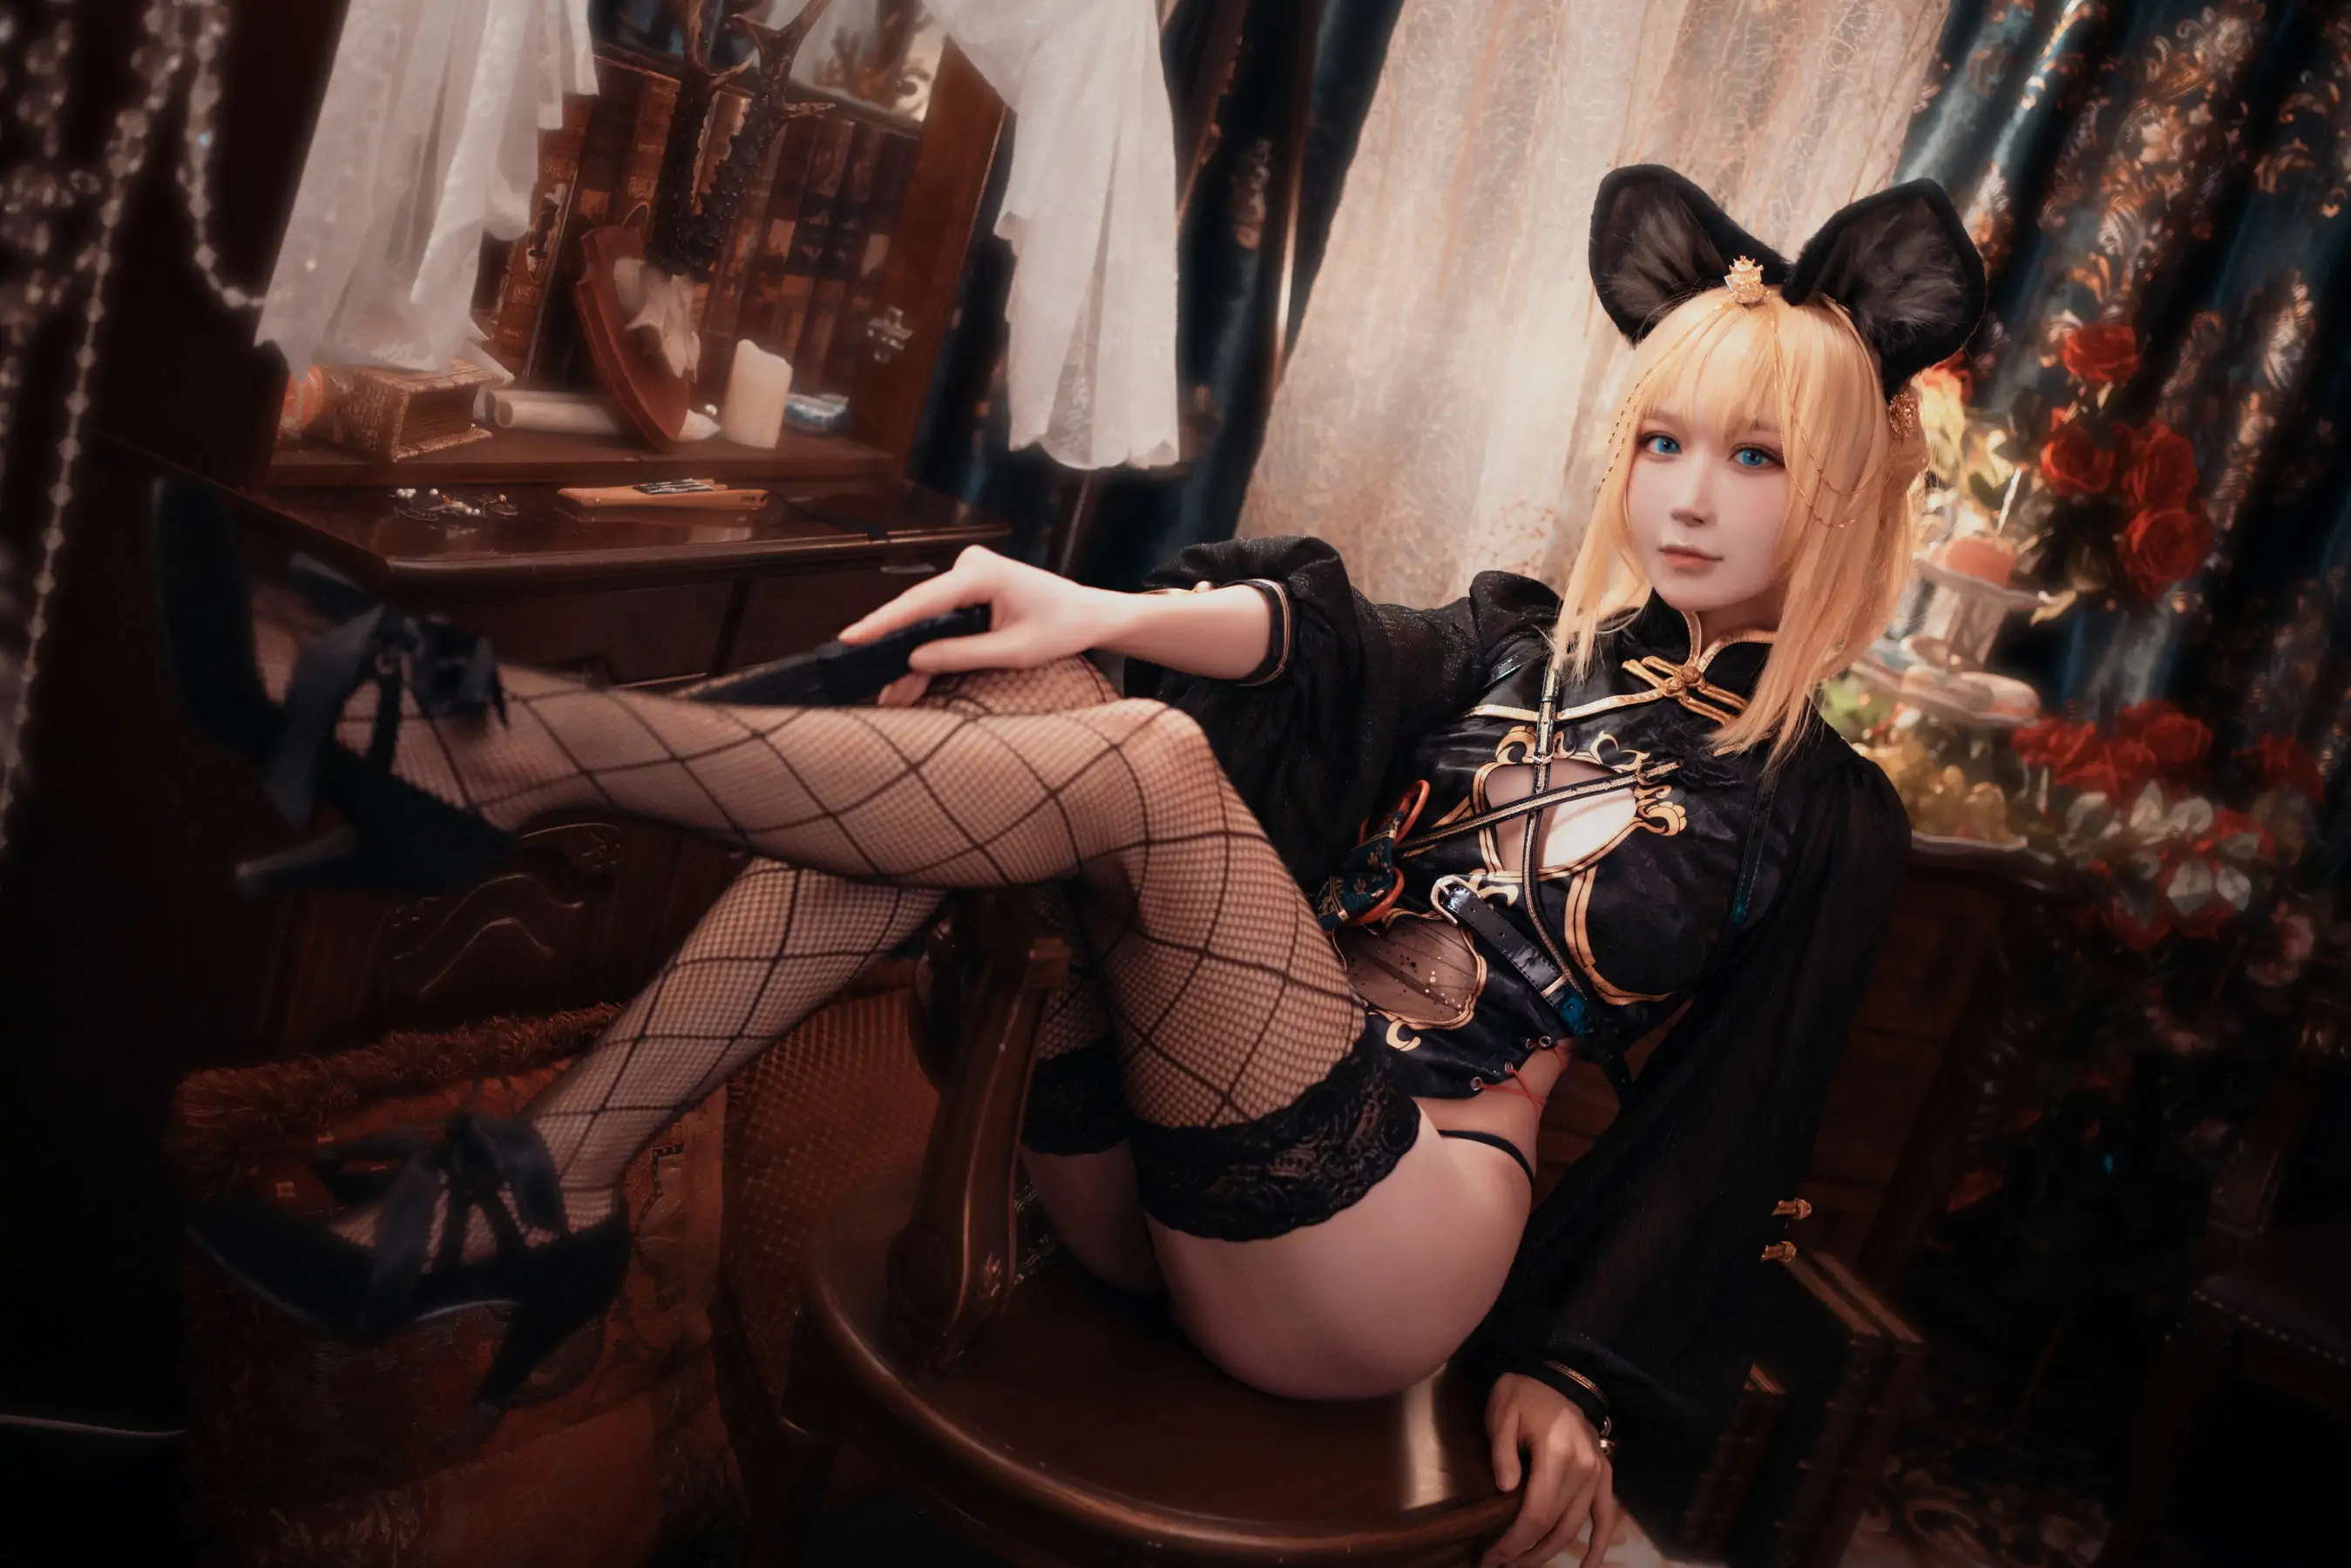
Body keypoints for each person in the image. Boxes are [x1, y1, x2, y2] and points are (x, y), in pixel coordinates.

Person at [165, 166, 1982, 1567]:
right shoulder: (1521, 640)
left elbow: (1738, 1124)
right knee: (1028, 687)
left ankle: (515, 753)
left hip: (1378, 1243)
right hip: (1161, 1170)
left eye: (1750, 458)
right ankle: (551, 1169)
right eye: (1660, 441)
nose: (1685, 495)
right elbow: (1322, 645)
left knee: (1142, 761)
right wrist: (1096, 607)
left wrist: (1575, 1370)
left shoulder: (1816, 810)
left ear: (1837, 493)